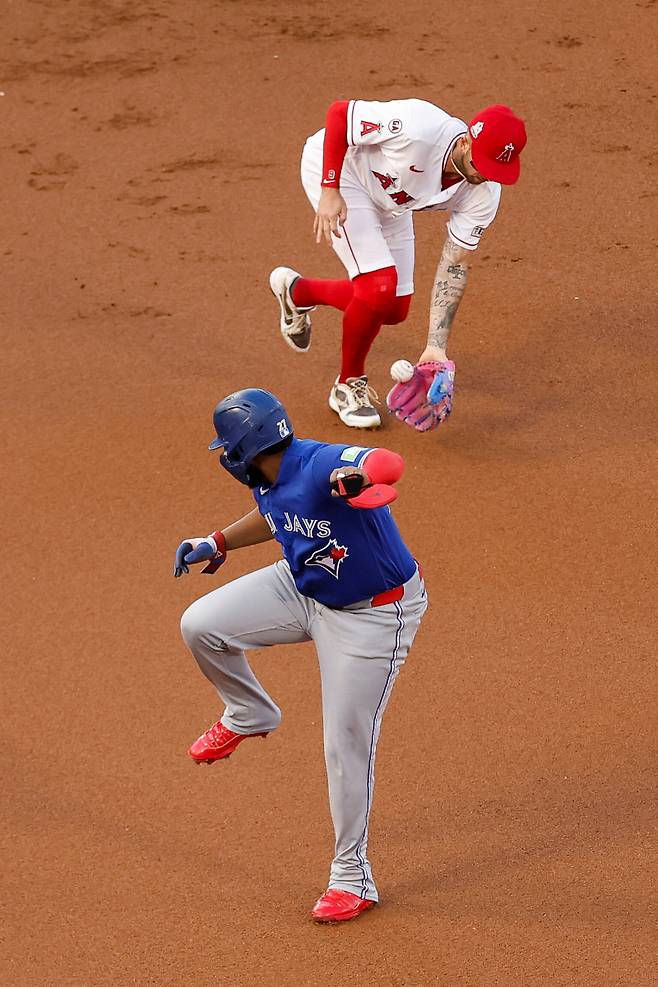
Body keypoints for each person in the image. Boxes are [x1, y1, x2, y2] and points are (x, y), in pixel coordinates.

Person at [174, 388, 428, 923]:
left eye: (228, 448)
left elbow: (388, 462)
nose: (226, 458)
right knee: (201, 624)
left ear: (247, 445)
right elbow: (275, 516)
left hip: (372, 615)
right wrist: (217, 541)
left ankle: (352, 876)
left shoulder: (318, 464)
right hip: (304, 587)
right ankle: (249, 712)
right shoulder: (269, 478)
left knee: (345, 743)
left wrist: (358, 479)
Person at [270, 99, 527, 430]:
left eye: (497, 170)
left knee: (393, 309)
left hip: (392, 201)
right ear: (465, 141)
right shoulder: (418, 128)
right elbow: (339, 114)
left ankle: (297, 292)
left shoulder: (485, 192)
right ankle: (348, 385)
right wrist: (330, 188)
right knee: (378, 286)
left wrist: (436, 347)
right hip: (344, 174)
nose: (485, 177)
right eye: (483, 165)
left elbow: (455, 264)